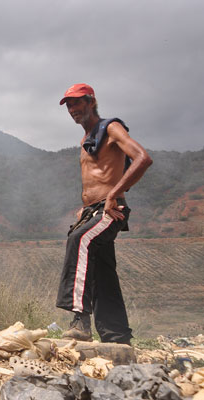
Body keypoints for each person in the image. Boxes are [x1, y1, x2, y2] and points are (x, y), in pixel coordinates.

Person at [55, 83, 152, 345]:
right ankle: (117, 336)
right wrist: (86, 207)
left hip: (110, 210)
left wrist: (112, 194)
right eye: (69, 105)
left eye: (77, 103)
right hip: (93, 210)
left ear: (91, 102)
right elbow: (97, 177)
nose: (73, 109)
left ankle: (79, 320)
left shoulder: (110, 127)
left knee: (80, 241)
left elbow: (142, 158)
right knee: (101, 270)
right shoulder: (86, 138)